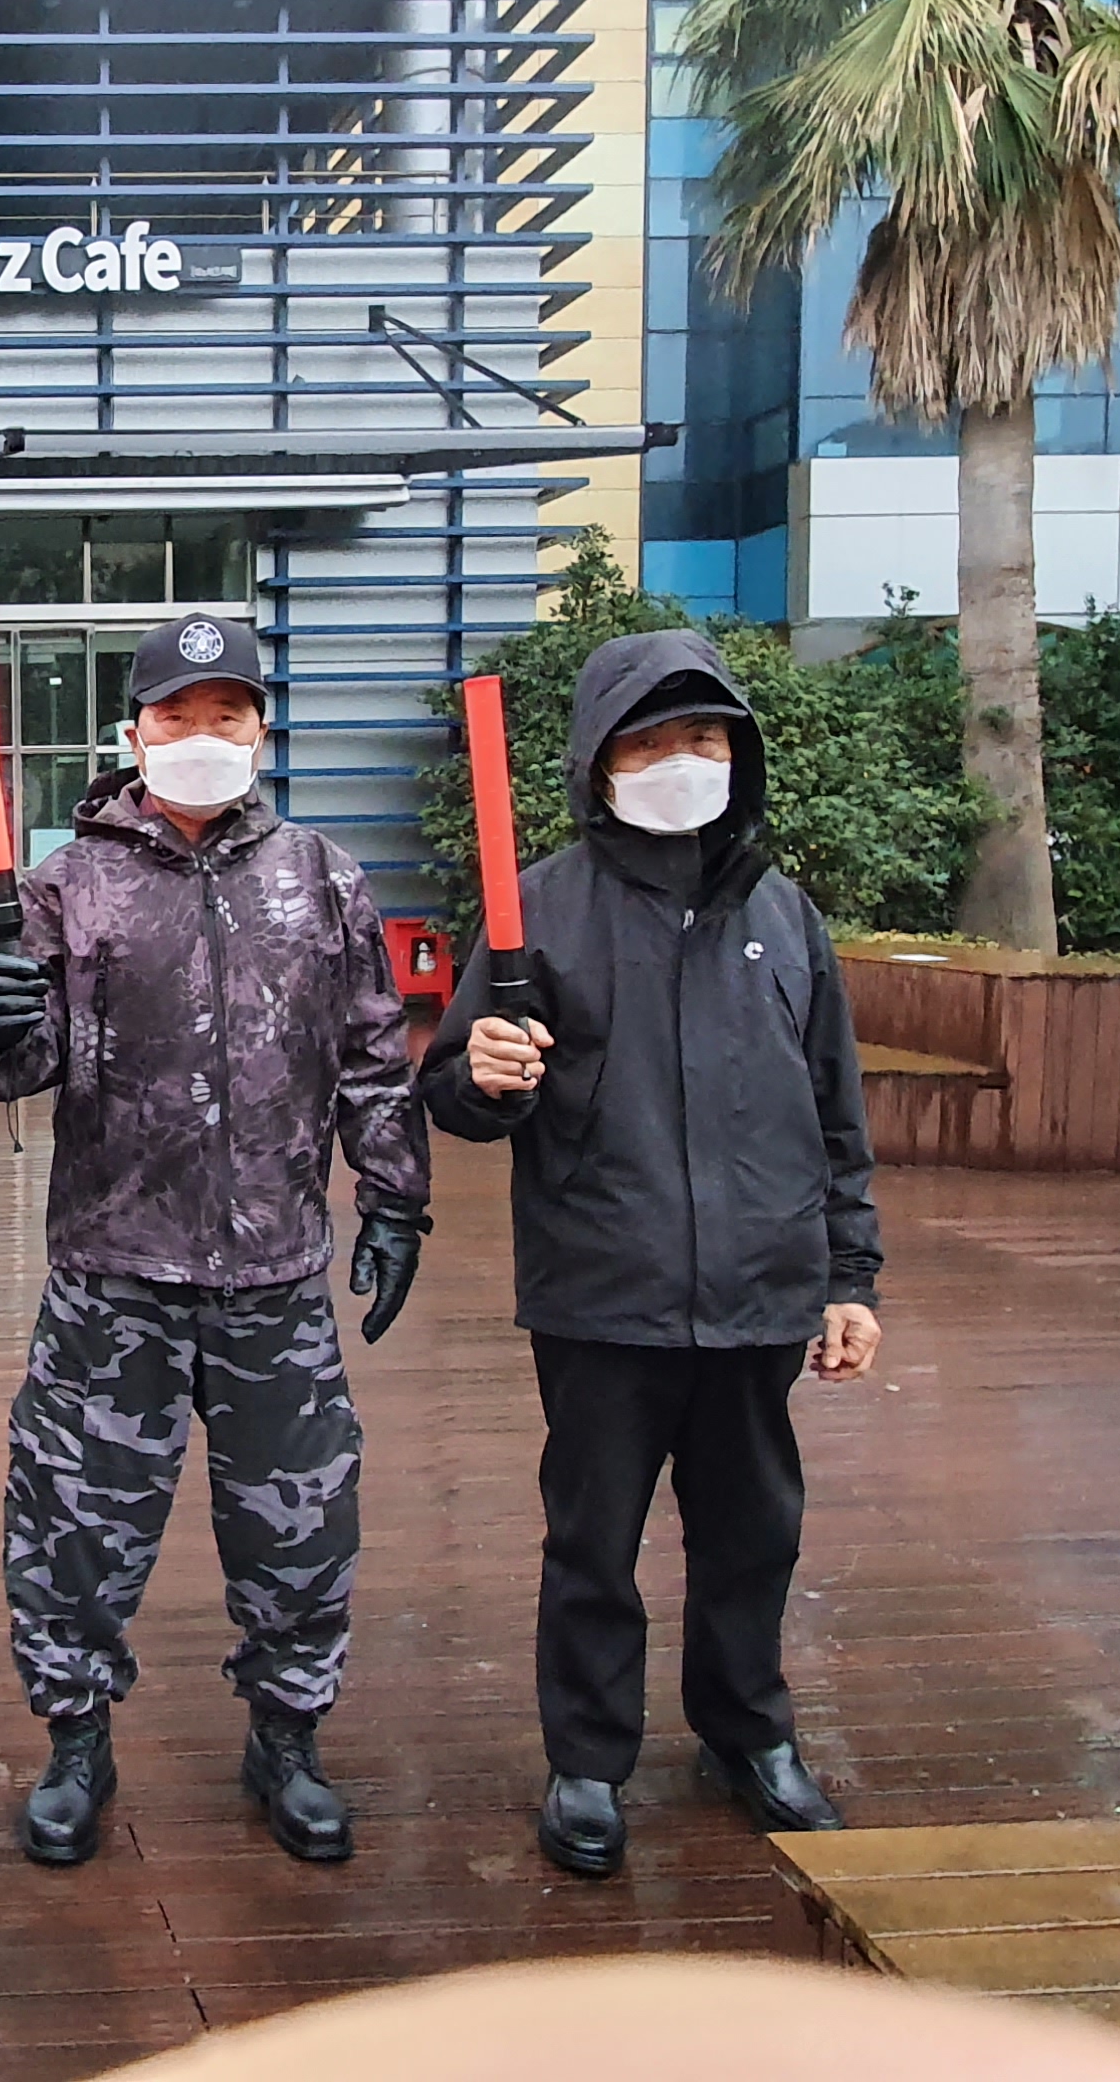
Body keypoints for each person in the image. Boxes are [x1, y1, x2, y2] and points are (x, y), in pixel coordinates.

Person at [412, 628, 885, 1881]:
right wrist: (487, 1075)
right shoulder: (541, 911)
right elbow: (454, 1093)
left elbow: (834, 1109)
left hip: (761, 1292)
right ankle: (587, 1759)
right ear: (598, 761)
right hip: (602, 1290)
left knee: (754, 1534)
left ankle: (748, 1732)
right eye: (651, 741)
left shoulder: (783, 915)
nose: (682, 761)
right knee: (593, 1540)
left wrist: (850, 1277)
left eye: (704, 737)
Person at [0, 614, 428, 1869]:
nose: (204, 735)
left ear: (262, 731)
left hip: (275, 1270)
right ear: (136, 732)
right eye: (179, 715)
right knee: (72, 1521)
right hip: (115, 1268)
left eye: (229, 714)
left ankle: (288, 1737)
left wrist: (395, 1198)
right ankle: (75, 1741)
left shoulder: (322, 877)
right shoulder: (69, 884)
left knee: (301, 1522)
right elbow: (21, 1068)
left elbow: (371, 1052)